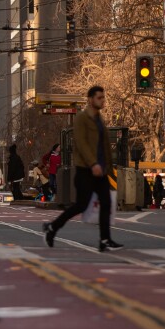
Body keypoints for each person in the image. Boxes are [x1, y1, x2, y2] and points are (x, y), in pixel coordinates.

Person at [42, 85, 124, 252]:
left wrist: (108, 166)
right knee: (81, 205)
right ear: (90, 99)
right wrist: (93, 163)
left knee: (107, 203)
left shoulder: (99, 119)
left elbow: (105, 146)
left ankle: (105, 239)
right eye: (99, 98)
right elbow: (81, 143)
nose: (102, 101)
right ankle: (52, 228)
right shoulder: (82, 118)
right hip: (85, 170)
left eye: (103, 97)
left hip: (100, 170)